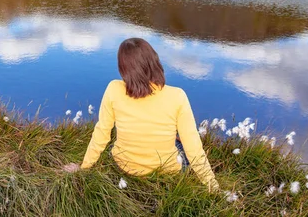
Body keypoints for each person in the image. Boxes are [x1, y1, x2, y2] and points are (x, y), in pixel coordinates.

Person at [63, 38, 219, 191]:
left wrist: (84, 167)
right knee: (182, 142)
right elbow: (194, 148)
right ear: (154, 62)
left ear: (123, 68)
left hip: (124, 166)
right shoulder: (178, 96)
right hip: (166, 170)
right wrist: (214, 188)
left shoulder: (113, 89)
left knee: (118, 140)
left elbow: (102, 132)